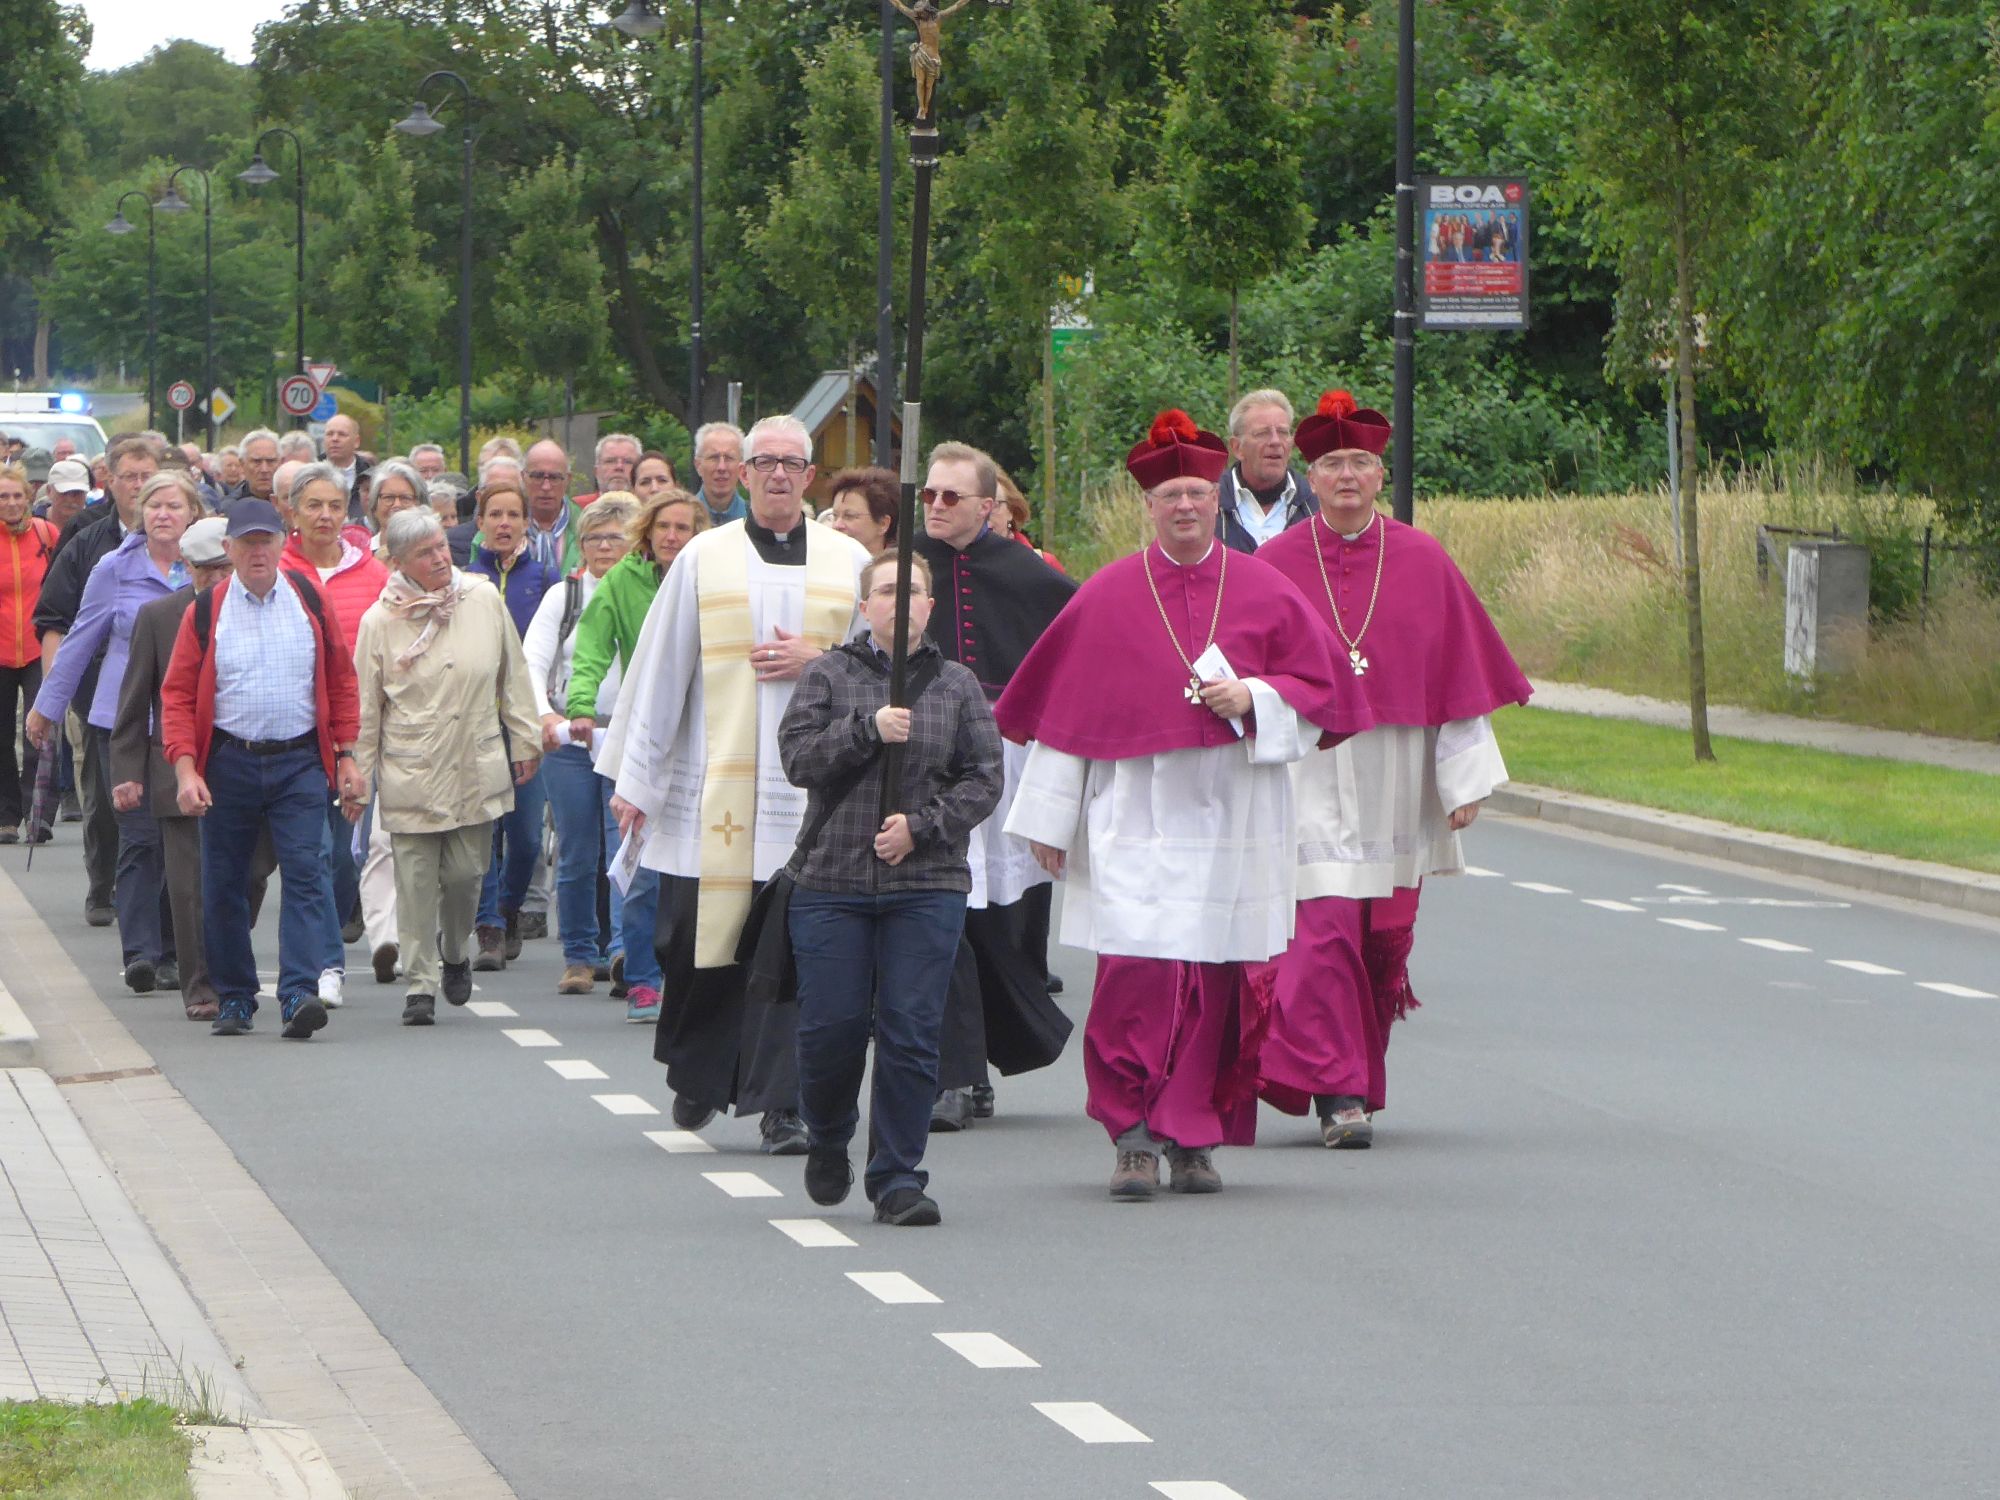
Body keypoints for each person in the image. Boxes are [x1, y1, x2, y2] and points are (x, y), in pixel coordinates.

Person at [995, 409, 1372, 1199]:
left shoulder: (1264, 587)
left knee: (1218, 978)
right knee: (1135, 973)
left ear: (1214, 496)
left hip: (1237, 810)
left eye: (1197, 493)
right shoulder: (1107, 595)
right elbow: (1066, 716)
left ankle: (1193, 1135)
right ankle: (1132, 1134)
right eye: (1170, 496)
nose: (1187, 507)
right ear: (1150, 506)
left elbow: (1321, 694)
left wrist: (1255, 696)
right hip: (1136, 813)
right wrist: (1048, 822)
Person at [1252, 390, 1530, 1146]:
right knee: (1322, 929)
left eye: (1360, 463)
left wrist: (1462, 781)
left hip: (1398, 771)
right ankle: (1338, 1092)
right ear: (1312, 476)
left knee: (1383, 939)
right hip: (1309, 769)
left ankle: (1357, 1077)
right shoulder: (1273, 565)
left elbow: (1459, 670)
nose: (1347, 475)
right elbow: (1247, 675)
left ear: (1381, 476)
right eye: (1333, 464)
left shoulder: (1423, 559)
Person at [601, 414, 871, 1154]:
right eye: (765, 462)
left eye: (792, 463)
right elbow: (662, 669)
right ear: (745, 474)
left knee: (796, 952)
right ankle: (700, 1071)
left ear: (810, 476)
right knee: (696, 942)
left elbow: (883, 664)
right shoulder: (704, 557)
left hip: (813, 794)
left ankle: (784, 1103)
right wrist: (638, 780)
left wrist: (822, 660)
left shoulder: (849, 561)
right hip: (713, 790)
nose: (778, 474)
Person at [779, 550, 1003, 1225]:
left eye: (913, 591)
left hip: (927, 883)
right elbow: (798, 758)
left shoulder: (957, 685)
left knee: (910, 1031)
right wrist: (865, 730)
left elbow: (985, 778)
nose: (899, 602)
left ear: (930, 606)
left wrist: (922, 828)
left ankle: (898, 1176)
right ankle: (827, 1134)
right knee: (832, 1029)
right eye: (885, 591)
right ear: (864, 606)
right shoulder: (827, 674)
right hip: (832, 881)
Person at [910, 442, 1080, 1130]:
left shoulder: (1031, 576)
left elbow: (1080, 654)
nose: (936, 506)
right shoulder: (905, 570)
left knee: (1006, 923)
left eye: (951, 496)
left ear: (988, 507)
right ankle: (951, 1072)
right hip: (925, 763)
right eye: (928, 494)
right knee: (941, 916)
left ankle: (985, 1057)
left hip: (1011, 764)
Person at [160, 500, 362, 1040]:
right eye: (246, 542)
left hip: (300, 761)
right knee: (224, 882)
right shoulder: (206, 611)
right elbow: (177, 696)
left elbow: (342, 680)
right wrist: (186, 770)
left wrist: (346, 754)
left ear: (282, 543)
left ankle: (297, 993)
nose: (257, 552)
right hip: (229, 762)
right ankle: (235, 995)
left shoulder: (310, 599)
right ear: (228, 549)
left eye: (266, 540)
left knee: (306, 873)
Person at [352, 511, 540, 1025]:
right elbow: (366, 708)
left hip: (474, 762)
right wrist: (357, 777)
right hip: (411, 768)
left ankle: (454, 949)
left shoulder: (482, 599)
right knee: (414, 882)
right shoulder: (379, 621)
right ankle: (420, 984)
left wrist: (524, 738)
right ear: (398, 563)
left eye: (440, 546)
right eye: (424, 554)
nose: (439, 558)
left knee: (465, 875)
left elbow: (513, 674)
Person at [29, 471, 202, 992]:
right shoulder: (114, 568)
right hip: (121, 723)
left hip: (187, 726)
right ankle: (142, 953)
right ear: (140, 513)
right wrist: (46, 707)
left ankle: (175, 949)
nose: (163, 514)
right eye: (154, 505)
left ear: (193, 513)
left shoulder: (208, 571)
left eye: (174, 505)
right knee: (139, 837)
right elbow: (81, 639)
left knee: (180, 840)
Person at [112, 517, 272, 1022]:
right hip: (176, 767)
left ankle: (226, 949)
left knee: (252, 875)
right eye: (205, 571)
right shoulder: (160, 616)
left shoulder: (265, 609)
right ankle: (202, 986)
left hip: (252, 764)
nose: (217, 579)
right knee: (188, 887)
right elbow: (135, 700)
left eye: (224, 567)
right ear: (187, 567)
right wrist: (127, 770)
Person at [565, 488, 707, 1021]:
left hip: (707, 736)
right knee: (642, 865)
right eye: (663, 527)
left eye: (683, 528)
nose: (672, 537)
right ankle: (643, 981)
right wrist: (581, 705)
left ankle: (692, 981)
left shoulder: (715, 576)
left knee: (696, 868)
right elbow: (592, 647)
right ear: (647, 531)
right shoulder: (621, 581)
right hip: (645, 738)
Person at [33, 434, 162, 926]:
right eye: (129, 476)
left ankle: (157, 901)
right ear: (109, 481)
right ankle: (103, 884)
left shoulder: (184, 542)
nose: (139, 485)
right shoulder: (87, 539)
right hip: (101, 692)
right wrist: (52, 698)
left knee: (160, 808)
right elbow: (58, 619)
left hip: (169, 701)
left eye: (147, 476)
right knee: (107, 800)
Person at [281, 462, 393, 1006]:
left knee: (348, 854)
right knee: (314, 854)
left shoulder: (373, 576)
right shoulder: (277, 571)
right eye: (313, 506)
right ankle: (326, 964)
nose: (324, 516)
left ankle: (333, 933)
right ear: (293, 513)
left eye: (334, 506)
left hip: (359, 737)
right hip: (299, 738)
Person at [523, 495, 637, 995]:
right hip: (571, 740)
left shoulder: (642, 590)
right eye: (594, 538)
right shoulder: (563, 596)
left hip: (626, 737)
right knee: (576, 851)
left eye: (615, 537)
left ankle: (623, 950)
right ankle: (579, 955)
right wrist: (546, 715)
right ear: (581, 545)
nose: (604, 547)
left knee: (624, 845)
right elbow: (531, 662)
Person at [466, 478, 556, 968]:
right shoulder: (464, 580)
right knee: (484, 831)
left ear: (526, 524)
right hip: (475, 723)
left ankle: (509, 906)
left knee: (525, 838)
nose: (504, 524)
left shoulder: (544, 578)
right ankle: (489, 928)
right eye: (495, 515)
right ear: (480, 522)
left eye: (513, 515)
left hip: (525, 721)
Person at [0, 463, 59, 843]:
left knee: (41, 731)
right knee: (1, 737)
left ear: (29, 498)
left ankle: (38, 812)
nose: (11, 503)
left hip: (40, 647)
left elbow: (64, 584)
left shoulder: (45, 533)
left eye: (17, 495)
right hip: (1, 650)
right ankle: (5, 816)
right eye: (3, 497)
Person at [1217, 389, 1313, 553]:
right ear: (1237, 448)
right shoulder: (1209, 505)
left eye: (1282, 432)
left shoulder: (1316, 504)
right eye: (1262, 433)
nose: (1275, 441)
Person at [522, 440, 585, 573]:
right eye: (537, 476)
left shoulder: (587, 528)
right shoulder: (500, 527)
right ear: (523, 477)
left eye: (554, 477)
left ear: (568, 480)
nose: (546, 487)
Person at [822, 466, 897, 555]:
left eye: (849, 516)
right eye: (835, 516)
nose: (837, 525)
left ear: (882, 524)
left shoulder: (902, 563)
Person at [689, 421, 748, 527]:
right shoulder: (682, 519)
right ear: (698, 465)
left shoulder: (756, 520)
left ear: (742, 467)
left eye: (729, 458)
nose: (722, 467)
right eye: (713, 457)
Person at [365, 460, 427, 561]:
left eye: (405, 498)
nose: (397, 505)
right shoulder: (359, 555)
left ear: (419, 504)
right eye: (388, 497)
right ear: (374, 505)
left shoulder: (433, 554)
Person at [321, 414, 372, 521]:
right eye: (330, 434)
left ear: (356, 441)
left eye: (342, 434)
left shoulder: (370, 477)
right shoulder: (309, 475)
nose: (335, 439)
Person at [576, 432, 640, 505]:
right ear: (596, 471)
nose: (619, 467)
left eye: (628, 462)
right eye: (610, 461)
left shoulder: (648, 509)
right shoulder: (575, 508)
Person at [40, 459, 90, 534]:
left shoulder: (96, 527)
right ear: (49, 491)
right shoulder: (30, 525)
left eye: (77, 492)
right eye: (64, 492)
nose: (70, 499)